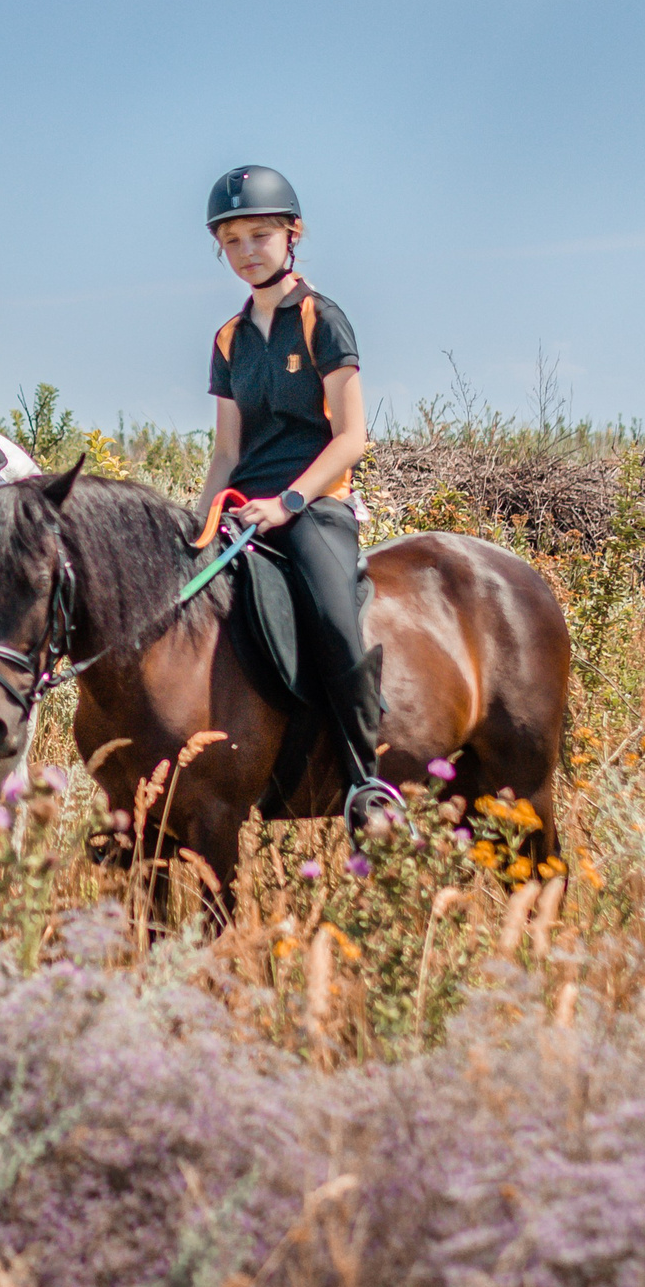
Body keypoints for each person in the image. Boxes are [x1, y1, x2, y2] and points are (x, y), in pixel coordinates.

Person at [194, 164, 398, 830]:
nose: (248, 250)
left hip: (314, 506)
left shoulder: (321, 318)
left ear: (293, 233)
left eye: (260, 234)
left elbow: (352, 437)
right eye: (233, 241)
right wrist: (200, 522)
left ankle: (367, 783)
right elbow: (227, 451)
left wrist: (287, 502)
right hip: (242, 510)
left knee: (336, 622)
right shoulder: (228, 337)